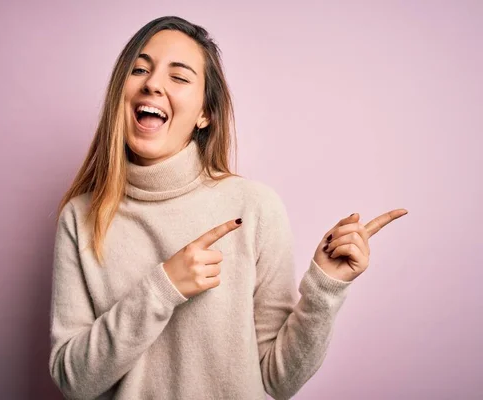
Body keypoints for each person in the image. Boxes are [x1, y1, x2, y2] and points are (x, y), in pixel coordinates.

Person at [48, 15, 408, 400]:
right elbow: (73, 380)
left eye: (179, 77)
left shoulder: (253, 207)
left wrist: (325, 289)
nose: (152, 84)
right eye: (139, 70)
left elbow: (278, 380)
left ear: (205, 114)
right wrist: (162, 288)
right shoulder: (80, 218)